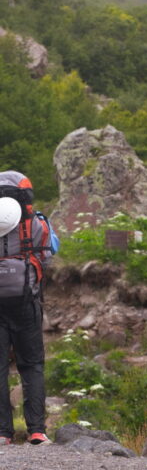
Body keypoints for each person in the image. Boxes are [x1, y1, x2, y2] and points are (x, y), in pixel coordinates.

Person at [0, 170, 59, 446]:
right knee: (32, 365)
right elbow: (48, 256)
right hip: (26, 302)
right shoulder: (38, 225)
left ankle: (3, 433)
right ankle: (36, 430)